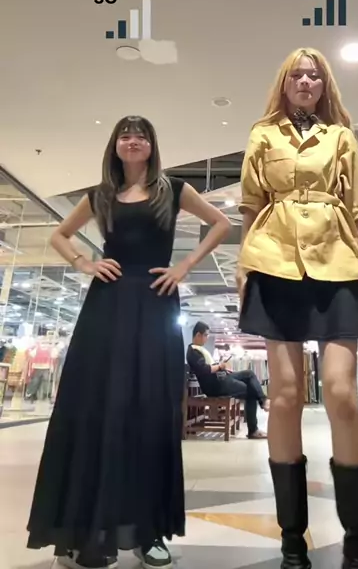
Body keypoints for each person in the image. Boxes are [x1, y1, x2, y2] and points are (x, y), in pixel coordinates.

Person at [27, 116, 231, 569]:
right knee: (97, 407)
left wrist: (185, 266)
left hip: (156, 304)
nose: (133, 140)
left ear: (152, 145)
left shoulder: (173, 190)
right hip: (107, 306)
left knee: (151, 408)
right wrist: (84, 263)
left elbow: (220, 223)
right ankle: (90, 530)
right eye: (125, 134)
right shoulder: (100, 195)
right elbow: (59, 235)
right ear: (115, 145)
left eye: (141, 135)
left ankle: (148, 530)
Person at [236, 49, 358, 569]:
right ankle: (291, 538)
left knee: (341, 392)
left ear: (324, 85)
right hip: (273, 260)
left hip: (337, 260)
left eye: (314, 75)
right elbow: (251, 205)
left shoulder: (341, 137)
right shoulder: (262, 134)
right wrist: (242, 265)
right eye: (296, 74)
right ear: (284, 82)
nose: (304, 80)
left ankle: (356, 536)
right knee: (284, 397)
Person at [186, 321, 268, 439]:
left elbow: (209, 367)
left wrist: (221, 367)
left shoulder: (198, 349)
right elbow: (205, 369)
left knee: (249, 374)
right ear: (198, 335)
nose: (207, 338)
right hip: (215, 386)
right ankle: (253, 430)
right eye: (206, 335)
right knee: (251, 391)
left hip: (220, 378)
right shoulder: (193, 352)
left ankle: (263, 400)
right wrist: (220, 366)